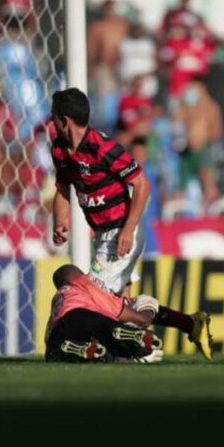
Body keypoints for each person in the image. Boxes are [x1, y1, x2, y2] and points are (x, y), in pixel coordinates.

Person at [49, 88, 149, 297]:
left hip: (120, 232)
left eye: (54, 118)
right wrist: (60, 221)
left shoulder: (102, 147)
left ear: (65, 121)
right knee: (124, 308)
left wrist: (128, 230)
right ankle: (188, 322)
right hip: (101, 234)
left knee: (90, 298)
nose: (51, 123)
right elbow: (63, 187)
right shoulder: (59, 151)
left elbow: (141, 184)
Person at [45, 264, 213, 362]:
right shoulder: (85, 284)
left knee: (56, 350)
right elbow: (117, 309)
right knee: (109, 328)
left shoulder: (58, 298)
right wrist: (145, 315)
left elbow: (48, 334)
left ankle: (79, 349)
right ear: (76, 277)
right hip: (87, 315)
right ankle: (131, 336)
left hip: (61, 327)